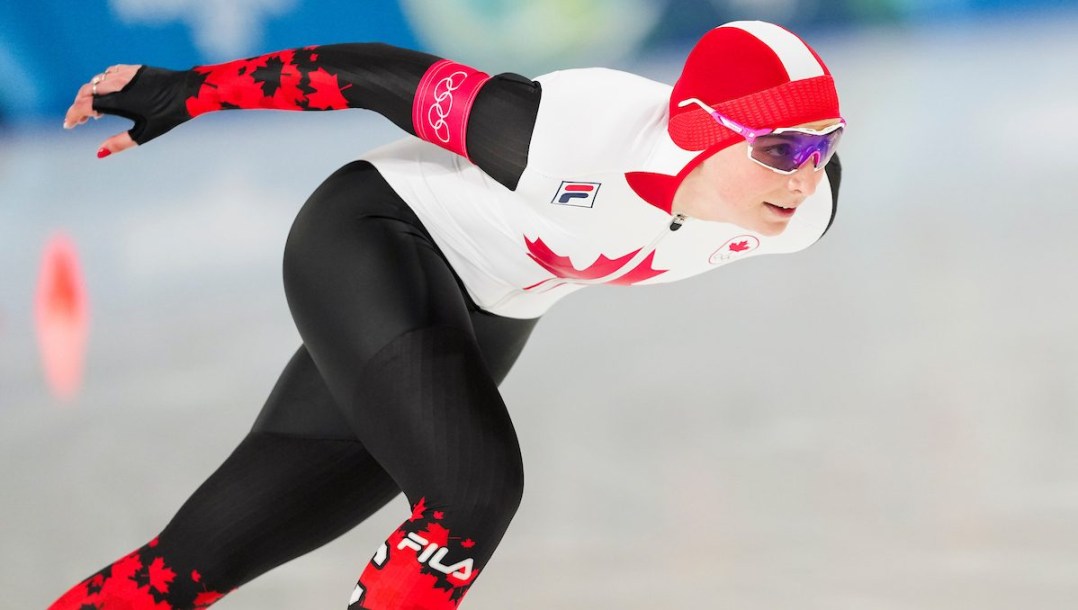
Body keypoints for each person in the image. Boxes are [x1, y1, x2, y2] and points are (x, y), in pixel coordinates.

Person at [50, 19, 844, 610]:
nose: (806, 178)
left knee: (208, 552)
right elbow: (372, 73)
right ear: (703, 131)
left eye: (823, 144)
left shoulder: (802, 212)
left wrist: (794, 154)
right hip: (374, 238)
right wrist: (190, 91)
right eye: (782, 150)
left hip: (489, 306)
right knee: (471, 492)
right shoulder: (555, 137)